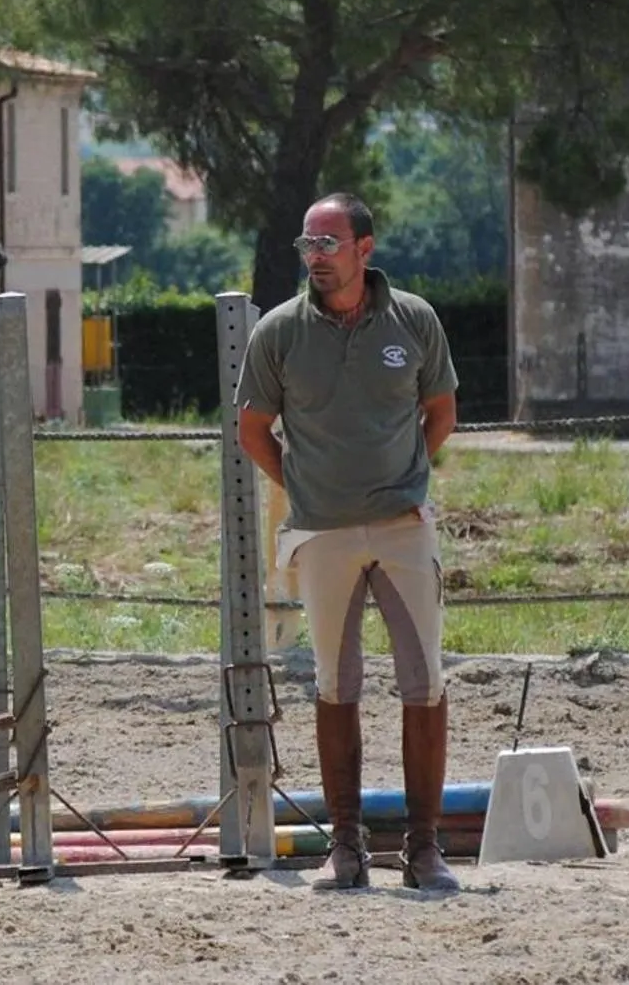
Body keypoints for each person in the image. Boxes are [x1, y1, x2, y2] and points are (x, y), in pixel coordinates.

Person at [234, 192, 461, 893]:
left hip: (402, 527)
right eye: (307, 244)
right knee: (335, 686)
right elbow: (252, 431)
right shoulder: (277, 332)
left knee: (423, 683)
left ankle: (424, 848)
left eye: (328, 243)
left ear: (365, 248)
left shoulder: (414, 320)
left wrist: (405, 478)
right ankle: (345, 846)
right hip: (323, 533)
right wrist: (307, 488)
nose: (315, 256)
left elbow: (441, 411)